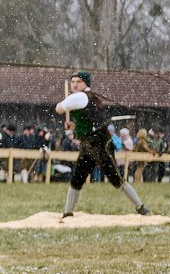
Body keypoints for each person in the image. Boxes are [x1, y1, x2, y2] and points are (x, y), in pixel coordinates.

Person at [54, 71, 150, 217]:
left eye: (78, 82)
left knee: (116, 179)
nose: (74, 84)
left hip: (99, 144)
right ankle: (67, 213)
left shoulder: (80, 96)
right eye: (72, 82)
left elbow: (58, 108)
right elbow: (89, 124)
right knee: (76, 179)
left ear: (85, 83)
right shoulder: (86, 97)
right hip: (88, 144)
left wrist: (65, 103)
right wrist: (73, 126)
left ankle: (141, 207)